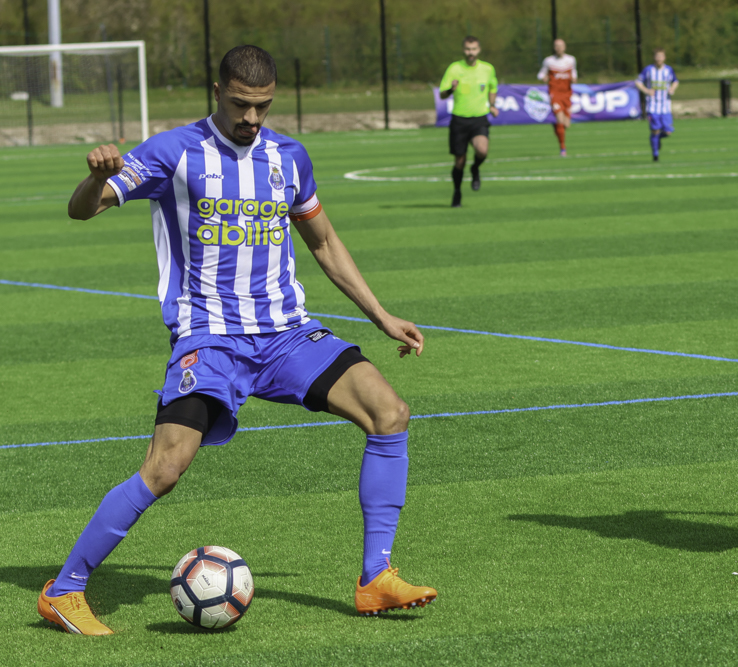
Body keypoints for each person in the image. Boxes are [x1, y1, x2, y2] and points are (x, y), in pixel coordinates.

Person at [37, 45, 436, 635]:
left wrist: (379, 314)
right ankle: (63, 590)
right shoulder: (174, 151)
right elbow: (82, 210)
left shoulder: (288, 157)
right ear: (217, 90)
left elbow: (323, 242)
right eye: (243, 105)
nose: (253, 118)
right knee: (166, 467)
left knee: (388, 411)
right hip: (210, 337)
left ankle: (375, 578)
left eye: (264, 106)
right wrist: (94, 180)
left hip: (286, 334)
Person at [439, 36, 499, 208]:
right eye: (467, 49)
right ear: (463, 50)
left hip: (479, 118)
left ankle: (475, 169)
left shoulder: (487, 69)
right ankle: (457, 192)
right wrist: (451, 89)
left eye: (473, 49)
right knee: (459, 162)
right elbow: (442, 93)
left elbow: (493, 87)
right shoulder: (454, 68)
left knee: (482, 150)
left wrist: (492, 105)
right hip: (459, 120)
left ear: (478, 50)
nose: (470, 53)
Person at [634, 49, 679, 162]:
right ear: (654, 57)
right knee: (655, 130)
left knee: (668, 131)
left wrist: (672, 88)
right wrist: (646, 90)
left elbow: (675, 81)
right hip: (652, 105)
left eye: (661, 56)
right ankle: (655, 154)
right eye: (657, 56)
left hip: (665, 106)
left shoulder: (669, 70)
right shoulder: (648, 70)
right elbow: (637, 82)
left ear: (664, 57)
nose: (659, 59)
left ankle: (656, 139)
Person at [537, 39, 577, 157]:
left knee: (566, 125)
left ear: (565, 47)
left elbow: (574, 72)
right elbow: (540, 74)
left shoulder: (571, 60)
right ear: (554, 48)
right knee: (560, 120)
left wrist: (574, 78)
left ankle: (555, 125)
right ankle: (563, 149)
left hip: (567, 94)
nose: (559, 48)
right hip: (555, 94)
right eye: (556, 46)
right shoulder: (549, 61)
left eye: (561, 46)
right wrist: (544, 77)